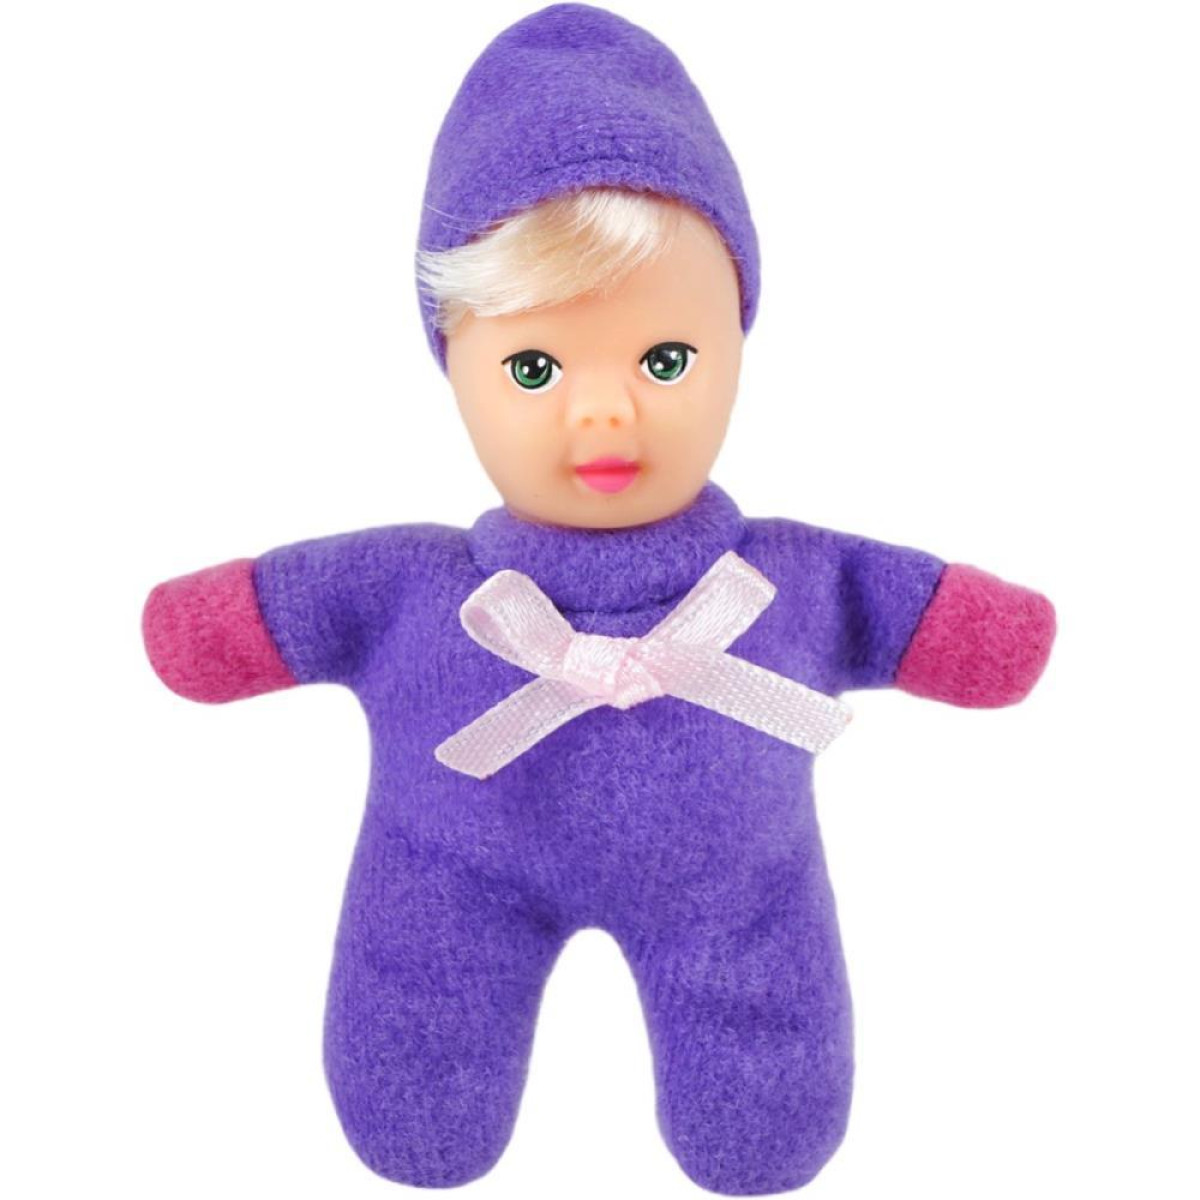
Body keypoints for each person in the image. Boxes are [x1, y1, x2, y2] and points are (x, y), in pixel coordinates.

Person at [142, 4, 1056, 1193]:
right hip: (451, 864)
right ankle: (431, 1093)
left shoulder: (776, 583)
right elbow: (250, 621)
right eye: (534, 368)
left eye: (664, 360)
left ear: (736, 345)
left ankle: (751, 1110)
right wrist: (213, 628)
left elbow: (935, 625)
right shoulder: (418, 592)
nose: (605, 411)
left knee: (763, 1109)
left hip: (733, 886)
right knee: (418, 1061)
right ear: (456, 367)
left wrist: (982, 635)